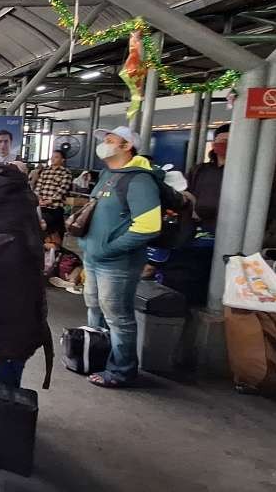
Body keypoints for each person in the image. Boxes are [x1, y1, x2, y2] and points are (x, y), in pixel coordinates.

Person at [81, 127, 161, 388]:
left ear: (127, 146)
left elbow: (148, 227)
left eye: (110, 141)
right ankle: (94, 357)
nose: (104, 145)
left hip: (117, 263)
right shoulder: (108, 174)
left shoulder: (139, 181)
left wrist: (108, 249)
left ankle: (121, 370)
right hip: (93, 257)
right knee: (95, 308)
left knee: (118, 316)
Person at [187, 123, 229, 231]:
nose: (225, 145)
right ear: (214, 144)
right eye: (222, 141)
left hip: (230, 230)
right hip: (198, 227)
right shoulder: (199, 170)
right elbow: (187, 193)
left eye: (229, 142)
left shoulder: (245, 174)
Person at [35, 150, 73, 245]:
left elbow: (62, 190)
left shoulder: (66, 173)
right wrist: (39, 199)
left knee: (55, 235)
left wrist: (49, 201)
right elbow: (38, 186)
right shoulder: (45, 171)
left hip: (55, 208)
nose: (52, 158)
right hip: (41, 207)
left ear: (63, 159)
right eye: (52, 156)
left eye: (56, 157)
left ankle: (57, 253)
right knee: (42, 234)